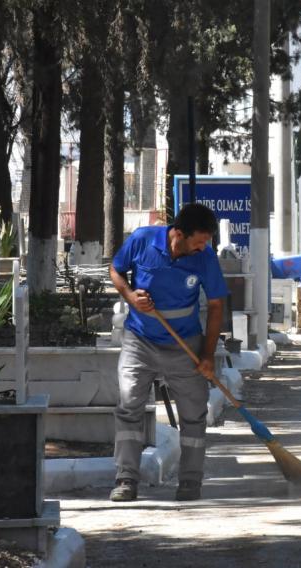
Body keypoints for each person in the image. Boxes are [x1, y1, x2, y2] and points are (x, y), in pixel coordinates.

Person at [108, 203, 228, 502]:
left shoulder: (205, 258)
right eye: (199, 240)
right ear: (179, 233)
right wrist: (131, 296)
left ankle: (190, 481)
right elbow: (116, 270)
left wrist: (208, 355)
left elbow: (216, 305)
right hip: (139, 340)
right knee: (129, 407)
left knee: (193, 414)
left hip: (184, 344)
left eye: (207, 241)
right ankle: (126, 480)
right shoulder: (143, 240)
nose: (204, 247)